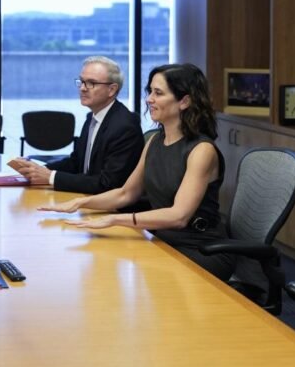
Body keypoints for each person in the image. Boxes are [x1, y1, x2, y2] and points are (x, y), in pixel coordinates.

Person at [40, 63, 234, 280]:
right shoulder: (154, 141)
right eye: (149, 91)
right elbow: (126, 194)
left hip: (199, 250)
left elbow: (179, 216)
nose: (149, 99)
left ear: (184, 101)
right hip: (163, 241)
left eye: (158, 93)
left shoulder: (202, 150)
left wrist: (114, 220)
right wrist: (79, 203)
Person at [17, 56, 144, 194]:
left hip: (113, 209)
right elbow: (77, 163)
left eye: (91, 83)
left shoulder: (125, 127)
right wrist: (38, 170)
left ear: (112, 90)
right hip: (86, 199)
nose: (83, 88)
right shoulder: (92, 117)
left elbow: (108, 184)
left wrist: (51, 177)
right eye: (82, 82)